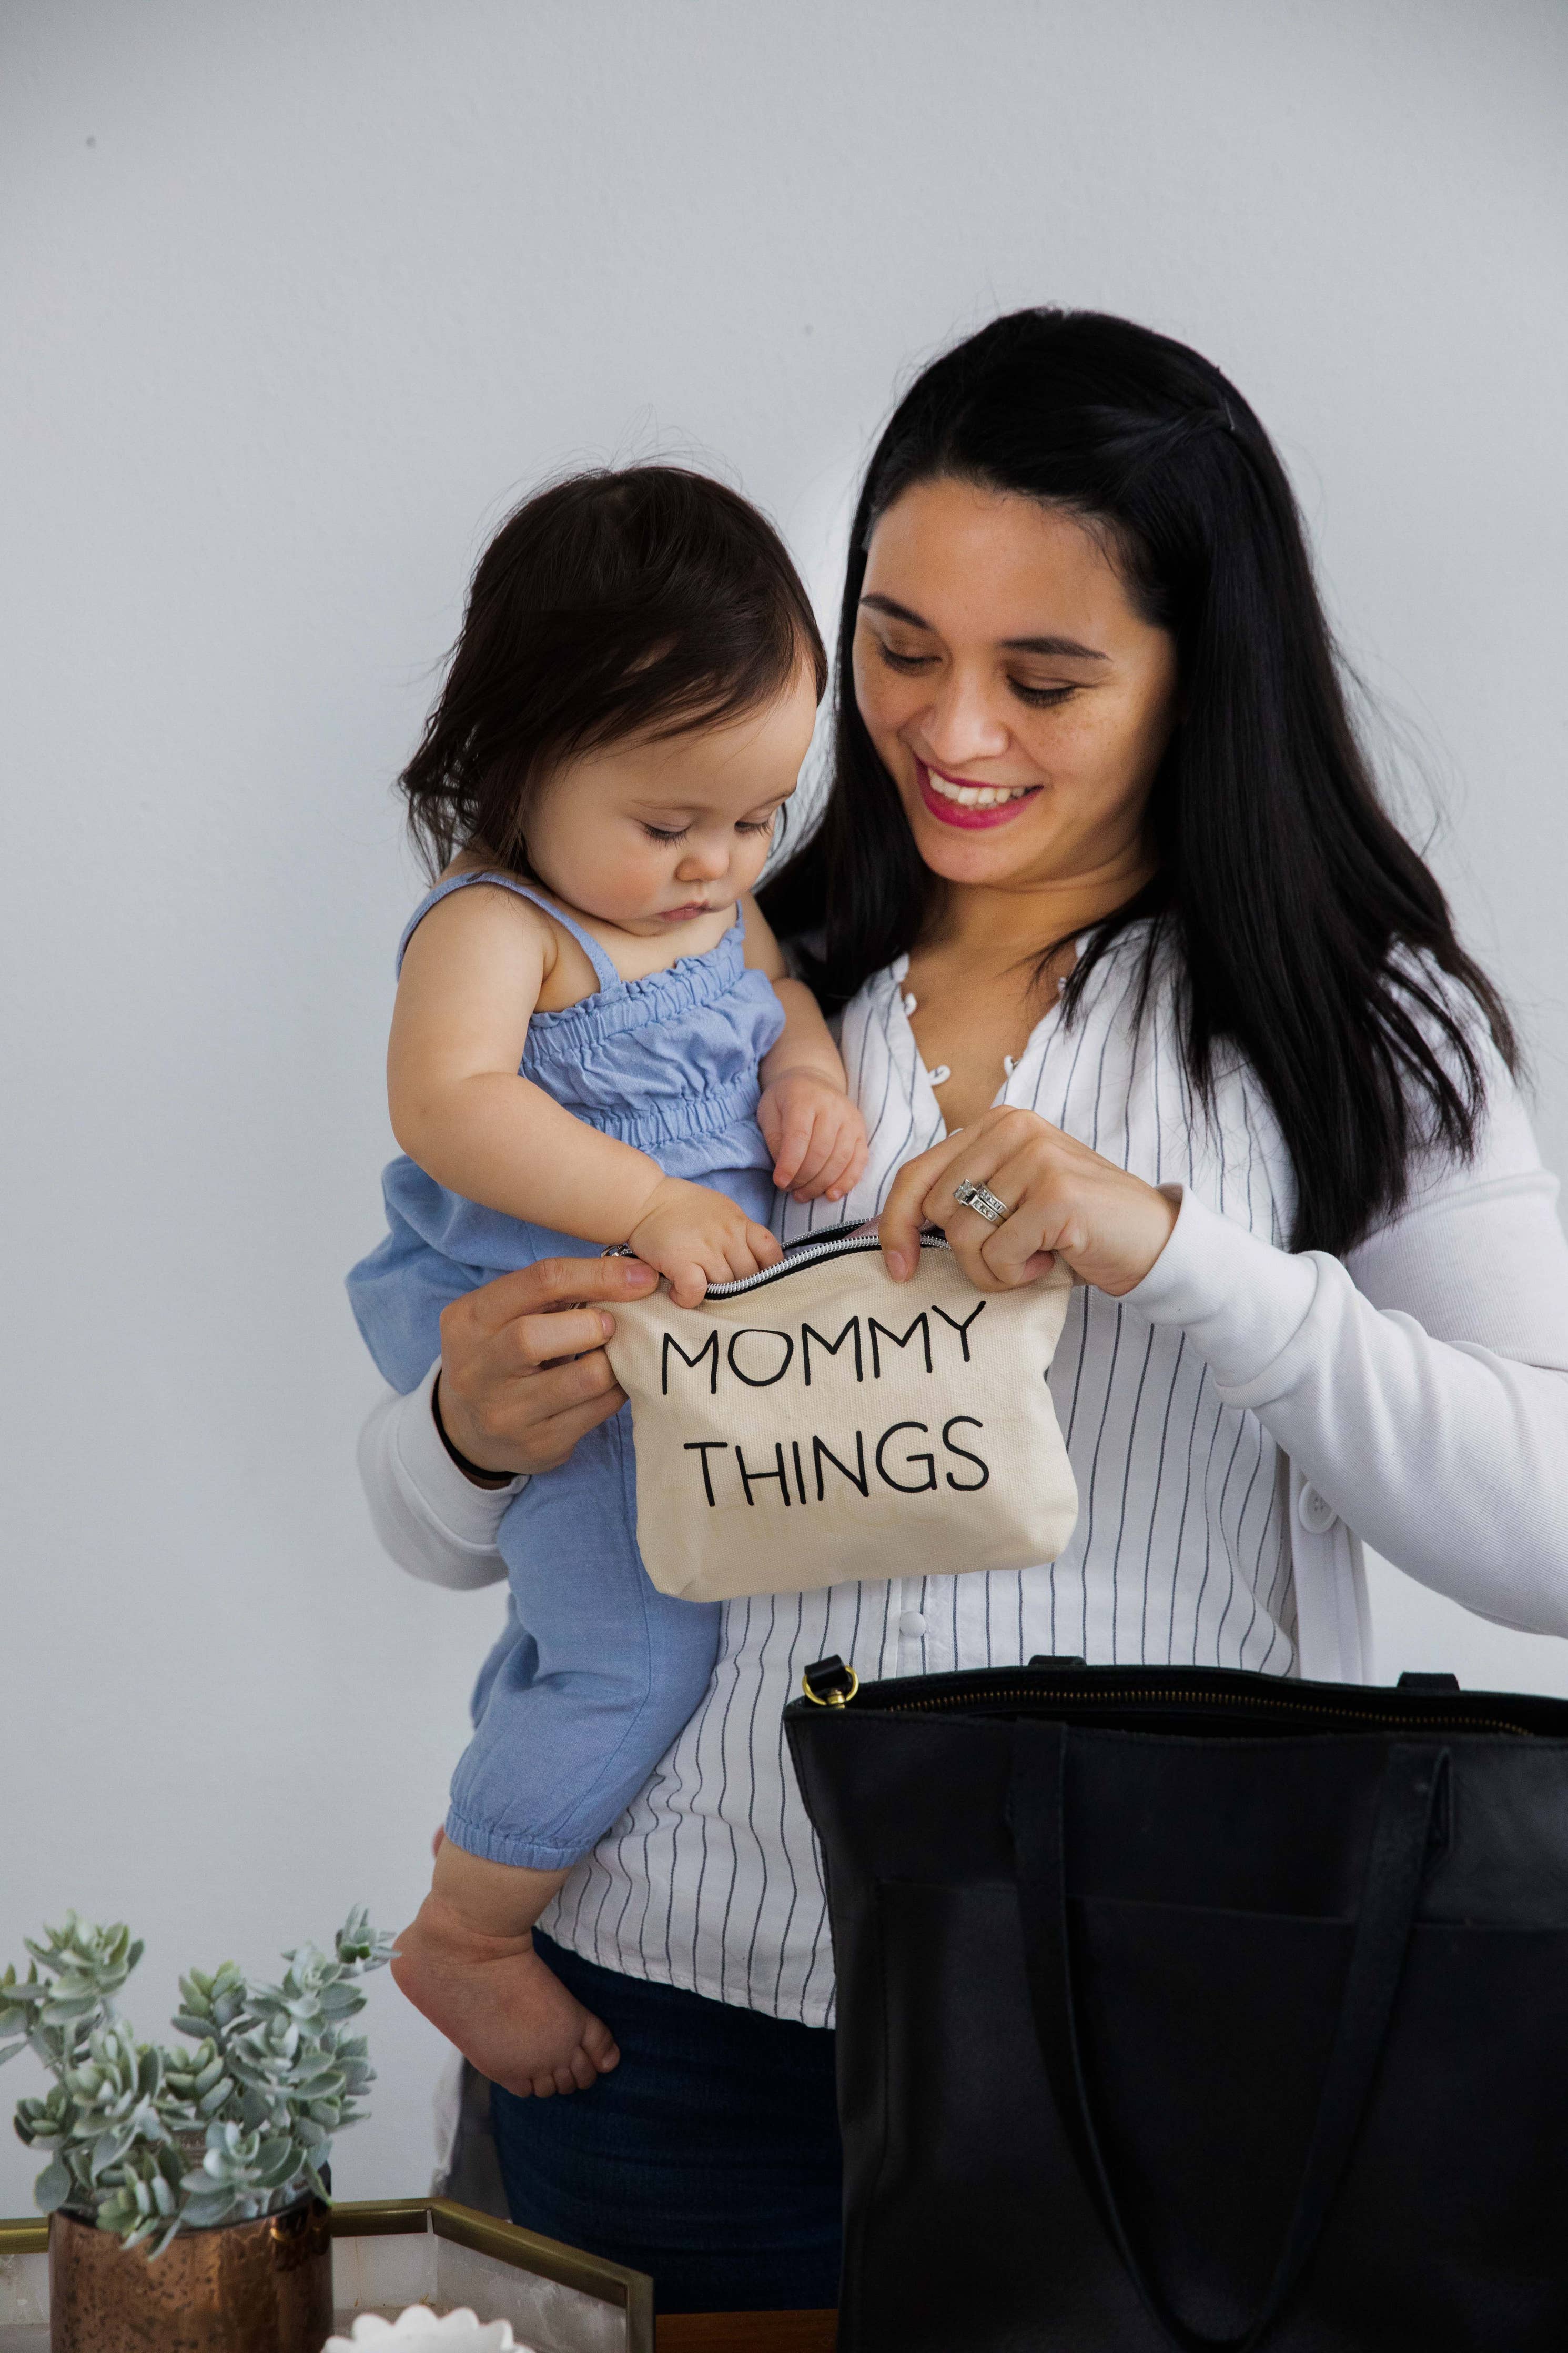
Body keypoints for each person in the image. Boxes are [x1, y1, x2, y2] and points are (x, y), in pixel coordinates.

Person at [355, 310, 1568, 2315]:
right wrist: (459, 1436)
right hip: (659, 2020)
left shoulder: (1353, 1018)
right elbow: (446, 1525)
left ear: (1202, 671)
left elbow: (1545, 1533)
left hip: (1144, 2026)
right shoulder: (708, 951)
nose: (954, 733)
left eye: (1047, 677)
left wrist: (1174, 1250)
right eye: (901, 648)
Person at [349, 467, 867, 2098]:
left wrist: (808, 1078)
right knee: (632, 1661)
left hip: (705, 1376)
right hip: (582, 1387)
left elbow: (779, 998)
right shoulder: (501, 928)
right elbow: (449, 1101)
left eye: (758, 816)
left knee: (649, 1644)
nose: (720, 864)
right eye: (670, 825)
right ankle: (470, 1929)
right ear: (520, 762)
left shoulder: (718, 912)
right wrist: (648, 1197)